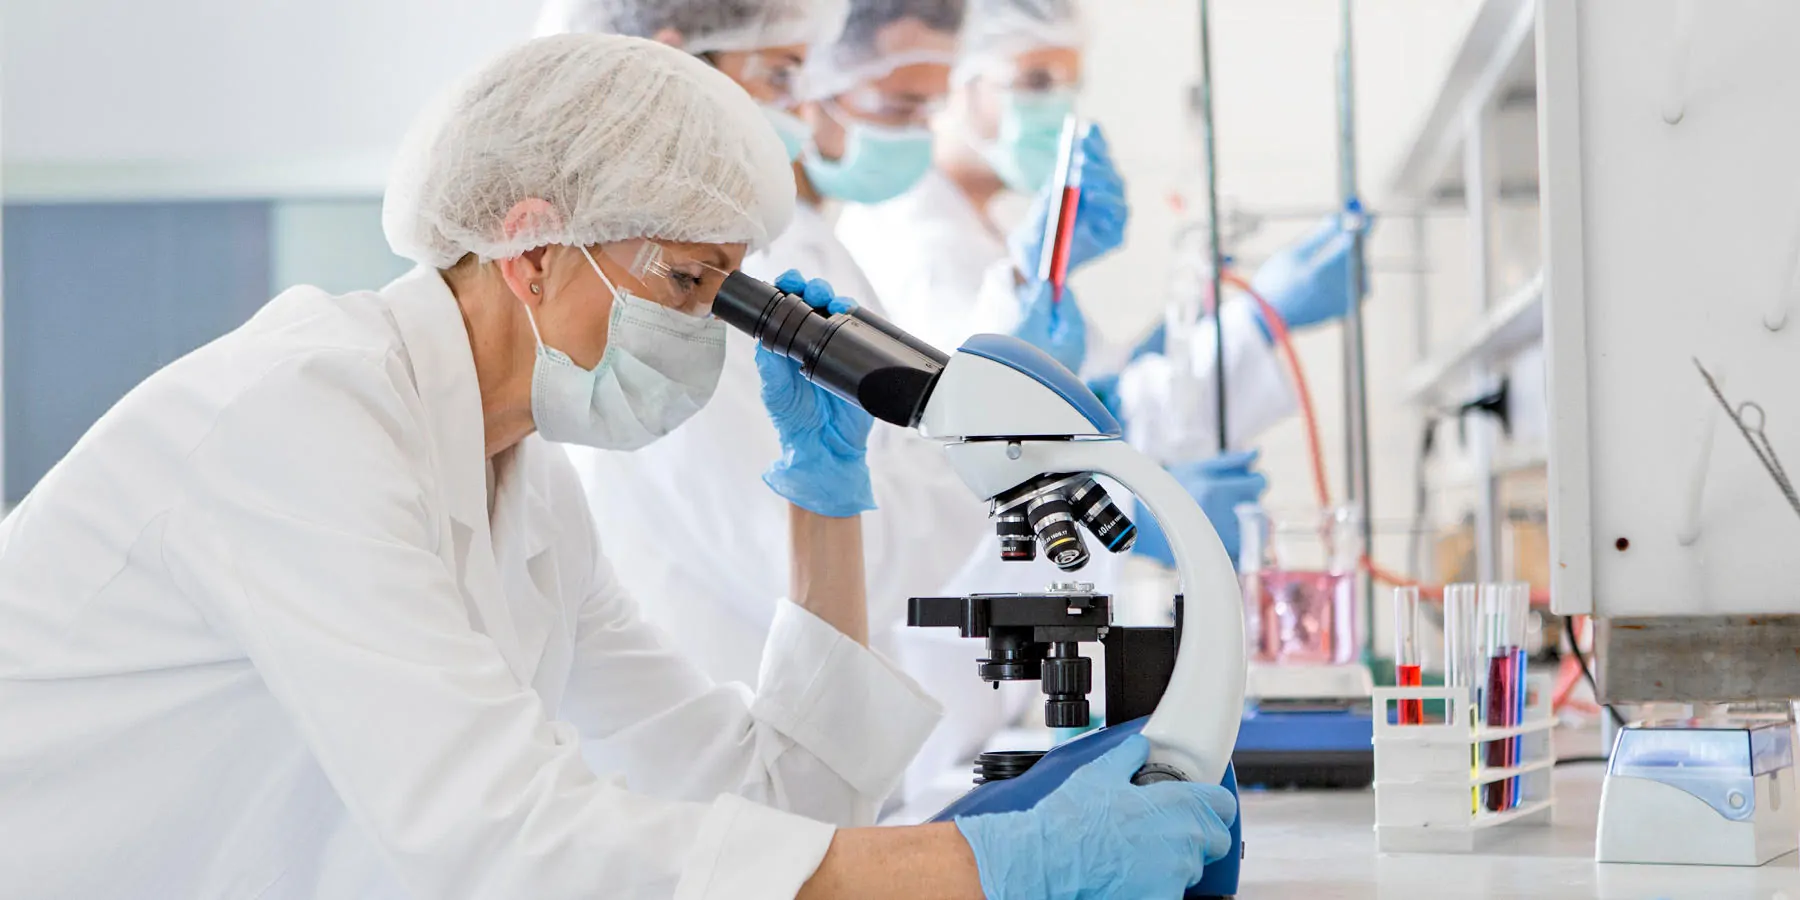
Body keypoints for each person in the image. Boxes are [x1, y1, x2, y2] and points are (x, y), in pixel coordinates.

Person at [0, 34, 1235, 899]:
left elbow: (776, 805)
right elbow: (506, 845)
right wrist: (992, 871)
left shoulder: (525, 488)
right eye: (690, 283)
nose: (703, 329)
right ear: (532, 248)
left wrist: (826, 503)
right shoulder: (300, 424)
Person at [555, 0, 1039, 811]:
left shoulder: (778, 249)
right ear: (675, 64)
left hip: (799, 774)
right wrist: (968, 462)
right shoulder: (661, 303)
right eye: (781, 73)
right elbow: (822, 568)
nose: (803, 100)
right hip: (714, 784)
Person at [835, 0, 1368, 563]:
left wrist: (1197, 325)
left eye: (1070, 85)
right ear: (956, 81)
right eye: (1035, 81)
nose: (1058, 107)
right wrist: (1144, 515)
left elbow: (1096, 399)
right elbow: (979, 453)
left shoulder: (987, 229)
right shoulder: (917, 239)